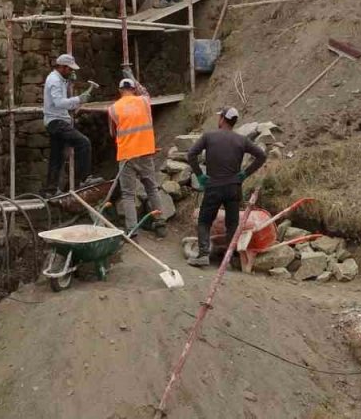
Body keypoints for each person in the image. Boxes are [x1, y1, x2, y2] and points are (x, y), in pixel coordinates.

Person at [184, 107, 268, 267]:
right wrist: (245, 174)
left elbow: (191, 154)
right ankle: (228, 260)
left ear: (222, 119)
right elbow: (262, 156)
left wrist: (200, 175)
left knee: (204, 221)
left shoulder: (209, 137)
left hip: (213, 186)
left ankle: (203, 254)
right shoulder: (241, 140)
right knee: (232, 224)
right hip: (233, 188)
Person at [107, 73, 171, 238]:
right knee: (152, 188)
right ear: (133, 89)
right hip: (145, 152)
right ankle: (160, 222)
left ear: (120, 90)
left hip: (127, 155)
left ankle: (132, 230)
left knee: (128, 194)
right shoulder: (143, 101)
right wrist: (132, 75)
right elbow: (145, 92)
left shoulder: (113, 108)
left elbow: (112, 133)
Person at [42, 53, 99, 196]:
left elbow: (58, 96)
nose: (72, 72)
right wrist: (79, 99)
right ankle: (85, 178)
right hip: (57, 121)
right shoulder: (55, 80)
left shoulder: (58, 79)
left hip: (53, 121)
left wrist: (67, 83)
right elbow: (59, 102)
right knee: (83, 142)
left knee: (57, 157)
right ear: (62, 67)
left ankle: (50, 189)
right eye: (69, 69)